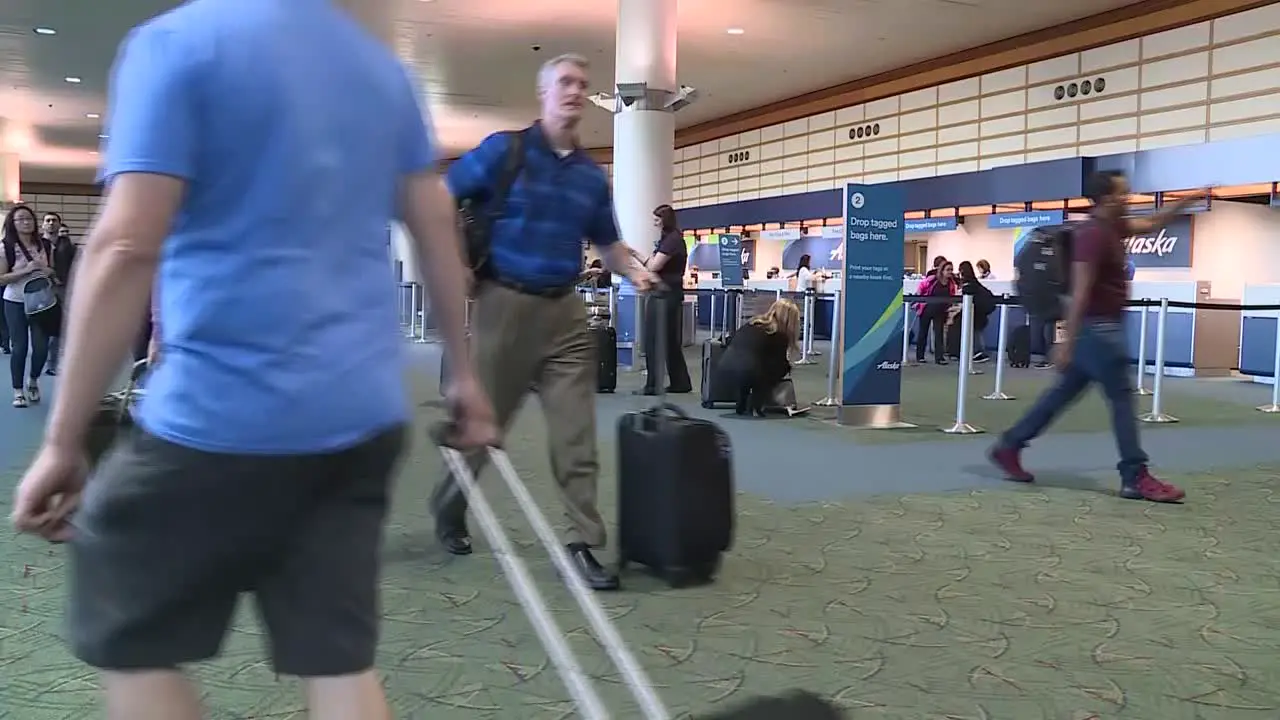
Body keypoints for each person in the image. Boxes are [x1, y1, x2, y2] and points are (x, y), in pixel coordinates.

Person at [8, 3, 497, 720]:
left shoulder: (174, 46)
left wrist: (61, 440)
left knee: (124, 597)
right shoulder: (380, 73)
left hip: (221, 418)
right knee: (338, 659)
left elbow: (123, 247)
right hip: (359, 419)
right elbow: (435, 233)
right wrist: (466, 375)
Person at [433, 52, 656, 592]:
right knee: (484, 429)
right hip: (504, 305)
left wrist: (635, 270)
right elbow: (440, 196)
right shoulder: (504, 151)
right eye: (565, 82)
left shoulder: (589, 176)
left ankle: (581, 541)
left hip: (565, 311)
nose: (575, 90)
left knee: (576, 433)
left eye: (583, 83)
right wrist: (457, 262)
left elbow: (605, 241)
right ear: (544, 92)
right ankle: (449, 502)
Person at [988, 170, 1205, 504]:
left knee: (1060, 397)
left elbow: (1152, 224)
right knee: (1121, 400)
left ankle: (1010, 445)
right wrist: (1066, 341)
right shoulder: (1092, 235)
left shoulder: (1111, 228)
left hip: (1100, 330)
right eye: (1122, 193)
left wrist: (1186, 201)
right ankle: (1134, 475)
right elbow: (1081, 291)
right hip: (1099, 331)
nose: (1128, 198)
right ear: (1105, 198)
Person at [0, 204, 53, 407]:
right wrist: (25, 270)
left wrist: (48, 271)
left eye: (29, 218)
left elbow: (52, 269)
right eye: (20, 219)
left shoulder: (44, 245)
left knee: (41, 348)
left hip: (41, 301)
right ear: (13, 223)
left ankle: (33, 380)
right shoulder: (5, 247)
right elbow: (2, 278)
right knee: (19, 347)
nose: (26, 222)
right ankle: (18, 391)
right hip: (15, 301)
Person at [636, 203, 691, 395]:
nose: (654, 223)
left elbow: (653, 266)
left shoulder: (671, 241)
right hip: (671, 293)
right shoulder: (672, 239)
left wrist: (635, 254)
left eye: (657, 219)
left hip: (663, 294)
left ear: (664, 220)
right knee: (669, 340)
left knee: (654, 339)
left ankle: (653, 385)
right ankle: (680, 382)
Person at [715, 299, 801, 417]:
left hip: (724, 368)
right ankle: (757, 402)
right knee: (779, 367)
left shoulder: (752, 323)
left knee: (751, 363)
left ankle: (742, 402)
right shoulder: (778, 334)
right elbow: (778, 363)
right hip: (750, 372)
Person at [44, 217, 76, 375]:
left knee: (61, 327)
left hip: (64, 288)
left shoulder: (68, 245)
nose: (51, 223)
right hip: (42, 288)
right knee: (43, 328)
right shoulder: (39, 243)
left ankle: (53, 363)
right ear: (43, 224)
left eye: (54, 220)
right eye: (48, 221)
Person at [913, 260, 957, 365]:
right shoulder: (932, 280)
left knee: (939, 334)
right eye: (948, 270)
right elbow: (921, 287)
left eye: (951, 270)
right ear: (942, 270)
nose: (950, 272)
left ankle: (939, 357)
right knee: (923, 333)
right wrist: (918, 300)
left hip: (940, 311)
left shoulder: (951, 283)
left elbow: (952, 295)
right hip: (927, 309)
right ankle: (920, 356)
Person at [957, 260, 994, 363]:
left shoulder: (968, 285)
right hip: (982, 312)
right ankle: (980, 352)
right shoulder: (976, 283)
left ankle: (978, 352)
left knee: (974, 332)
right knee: (978, 332)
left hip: (975, 313)